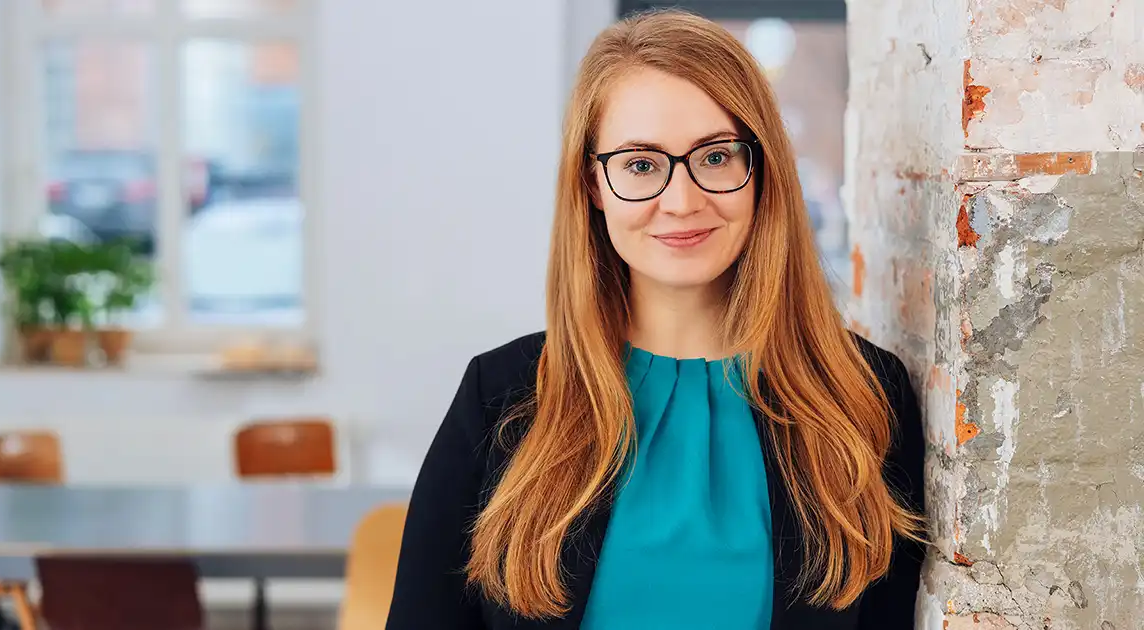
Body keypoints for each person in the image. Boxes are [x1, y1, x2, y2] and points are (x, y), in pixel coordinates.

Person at [386, 8, 925, 630]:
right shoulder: (501, 395)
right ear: (593, 184)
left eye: (716, 157)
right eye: (641, 165)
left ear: (762, 171)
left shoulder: (864, 395)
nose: (682, 200)